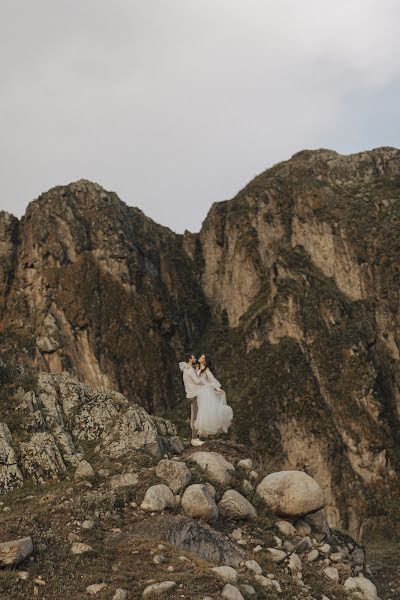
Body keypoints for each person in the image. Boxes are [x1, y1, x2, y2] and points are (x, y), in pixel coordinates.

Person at [179, 353, 206, 446]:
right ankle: (194, 439)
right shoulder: (190, 370)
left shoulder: (187, 368)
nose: (195, 359)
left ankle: (196, 436)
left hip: (192, 394)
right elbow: (198, 381)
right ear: (190, 359)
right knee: (195, 417)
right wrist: (202, 374)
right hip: (194, 395)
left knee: (195, 415)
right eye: (194, 358)